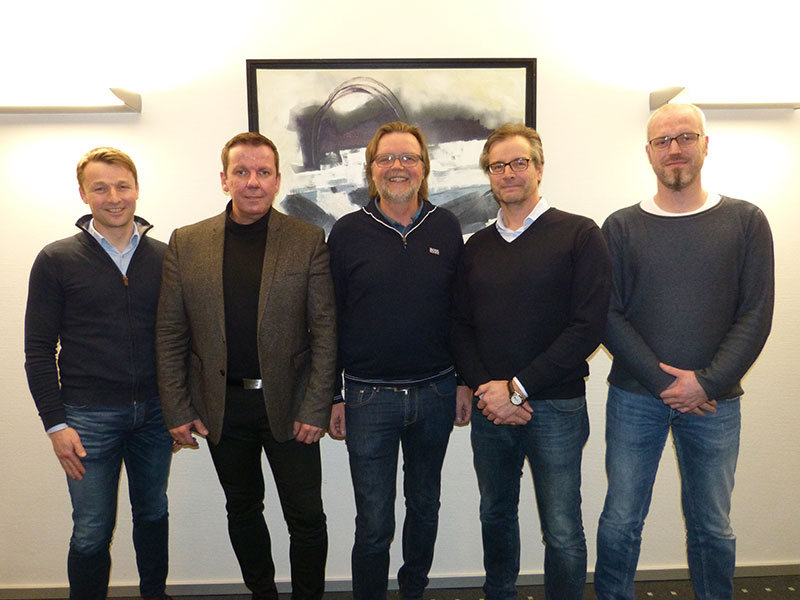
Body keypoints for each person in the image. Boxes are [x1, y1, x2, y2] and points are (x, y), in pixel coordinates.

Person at [594, 103, 775, 600]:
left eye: (685, 137)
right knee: (620, 521)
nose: (674, 148)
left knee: (712, 526)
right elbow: (607, 314)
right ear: (649, 153)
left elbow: (756, 314)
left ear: (705, 144)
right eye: (662, 141)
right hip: (635, 398)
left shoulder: (746, 221)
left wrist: (706, 383)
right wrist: (666, 384)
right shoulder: (620, 226)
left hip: (716, 402)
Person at [156, 132, 337, 600]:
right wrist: (177, 408)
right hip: (221, 407)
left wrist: (316, 406)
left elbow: (325, 331)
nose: (252, 181)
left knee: (306, 517)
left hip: (290, 406)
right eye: (241, 171)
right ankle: (262, 593)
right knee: (242, 509)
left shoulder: (307, 240)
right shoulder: (187, 242)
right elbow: (171, 333)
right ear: (224, 179)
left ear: (277, 180)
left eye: (262, 172)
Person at [452, 123, 611, 600]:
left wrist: (517, 389)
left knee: (561, 527)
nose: (509, 173)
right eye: (498, 165)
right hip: (491, 409)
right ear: (489, 175)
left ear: (539, 169)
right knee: (495, 515)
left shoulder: (580, 234)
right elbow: (459, 326)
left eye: (519, 162)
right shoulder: (476, 247)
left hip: (556, 407)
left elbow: (587, 327)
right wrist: (489, 390)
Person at [327, 121, 471, 600]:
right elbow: (330, 319)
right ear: (371, 169)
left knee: (425, 508)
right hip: (368, 398)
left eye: (408, 157)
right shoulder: (347, 233)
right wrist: (333, 395)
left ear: (424, 168)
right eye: (386, 158)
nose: (397, 166)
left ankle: (413, 590)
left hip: (437, 392)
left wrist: (465, 381)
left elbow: (460, 312)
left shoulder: (447, 227)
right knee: (373, 523)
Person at [24, 147, 173, 600]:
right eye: (100, 188)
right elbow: (37, 350)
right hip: (87, 419)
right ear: (83, 194)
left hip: (155, 415)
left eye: (122, 186)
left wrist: (182, 407)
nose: (114, 197)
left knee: (153, 514)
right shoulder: (56, 259)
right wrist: (56, 425)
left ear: (137, 189)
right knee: (91, 530)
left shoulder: (166, 257)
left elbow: (181, 339)